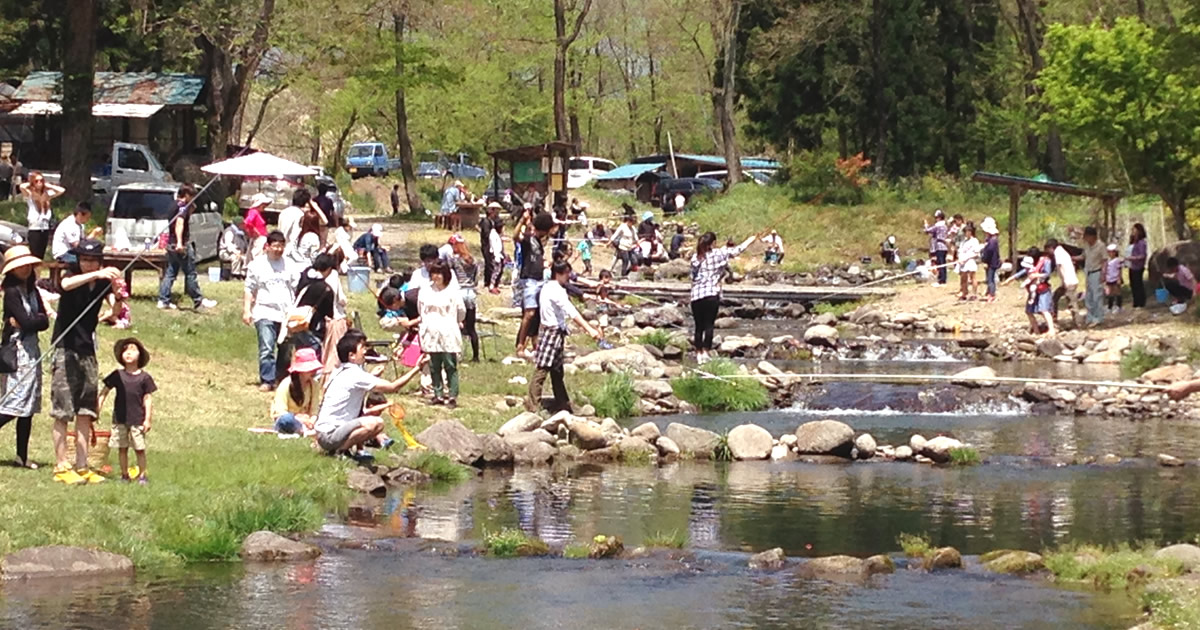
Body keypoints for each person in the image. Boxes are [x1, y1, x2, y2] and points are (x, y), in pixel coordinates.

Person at [50, 239, 119, 485]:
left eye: (92, 260)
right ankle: (61, 465)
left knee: (85, 411)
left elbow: (115, 308)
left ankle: (82, 464)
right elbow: (65, 285)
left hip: (87, 350)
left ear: (100, 260)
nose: (88, 264)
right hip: (65, 349)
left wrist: (117, 295)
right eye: (84, 260)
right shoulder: (72, 275)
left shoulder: (101, 284)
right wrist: (99, 273)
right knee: (62, 410)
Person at [314, 330, 425, 457]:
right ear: (352, 355)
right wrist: (417, 368)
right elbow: (393, 387)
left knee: (376, 426)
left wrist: (371, 376)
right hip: (330, 434)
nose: (365, 351)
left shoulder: (340, 370)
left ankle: (344, 450)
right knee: (375, 423)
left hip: (325, 433)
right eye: (362, 347)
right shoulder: (355, 374)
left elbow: (353, 386)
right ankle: (339, 452)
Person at [527, 260, 602, 413]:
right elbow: (571, 311)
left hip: (554, 331)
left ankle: (563, 403)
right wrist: (589, 329)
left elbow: (571, 292)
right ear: (559, 274)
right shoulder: (556, 290)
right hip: (552, 332)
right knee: (542, 368)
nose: (569, 276)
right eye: (567, 273)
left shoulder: (548, 286)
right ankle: (533, 405)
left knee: (557, 371)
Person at [0, 245, 48, 469]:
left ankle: (22, 455)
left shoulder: (32, 290)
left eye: (28, 265)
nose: (26, 269)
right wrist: (32, 322)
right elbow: (29, 323)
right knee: (12, 404)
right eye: (21, 266)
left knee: (28, 406)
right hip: (17, 353)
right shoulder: (11, 293)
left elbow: (43, 322)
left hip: (33, 351)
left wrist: (32, 322)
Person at [690, 230, 764, 364]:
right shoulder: (719, 253)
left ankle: (698, 354)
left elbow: (693, 277)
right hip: (711, 294)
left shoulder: (696, 257)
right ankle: (706, 353)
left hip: (696, 295)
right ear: (713, 243)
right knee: (709, 325)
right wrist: (750, 239)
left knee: (698, 327)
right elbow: (737, 251)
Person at [244, 231, 299, 391]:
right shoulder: (257, 265)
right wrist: (247, 310)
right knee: (267, 347)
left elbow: (297, 288)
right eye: (275, 246)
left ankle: (281, 379)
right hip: (264, 311)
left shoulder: (289, 265)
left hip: (286, 314)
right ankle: (267, 380)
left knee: (285, 348)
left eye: (281, 246)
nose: (278, 249)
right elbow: (249, 288)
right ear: (267, 246)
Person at [99, 338, 157, 485]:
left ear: (140, 355)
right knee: (122, 447)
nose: (128, 353)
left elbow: (148, 399)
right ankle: (124, 475)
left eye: (133, 350)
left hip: (137, 418)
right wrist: (98, 407)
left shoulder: (145, 378)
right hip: (120, 418)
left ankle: (142, 475)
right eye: (125, 350)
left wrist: (147, 419)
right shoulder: (117, 375)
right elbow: (104, 391)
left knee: (139, 448)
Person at [157, 185, 218, 310]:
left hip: (170, 243)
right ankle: (198, 300)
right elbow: (179, 223)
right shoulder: (182, 207)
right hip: (181, 244)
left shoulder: (174, 205)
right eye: (192, 196)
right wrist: (180, 243)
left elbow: (188, 213)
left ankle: (163, 300)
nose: (194, 198)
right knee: (190, 273)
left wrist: (192, 205)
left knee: (171, 272)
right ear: (186, 195)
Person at [418, 261, 465, 406]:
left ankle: (452, 394)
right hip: (431, 330)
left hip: (448, 330)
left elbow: (461, 312)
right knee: (434, 364)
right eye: (434, 273)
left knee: (450, 363)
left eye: (439, 273)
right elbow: (421, 309)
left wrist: (453, 322)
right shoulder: (425, 290)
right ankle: (437, 393)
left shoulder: (452, 292)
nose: (436, 276)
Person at [514, 212, 554, 357]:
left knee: (536, 314)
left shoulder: (538, 241)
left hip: (539, 279)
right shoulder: (527, 240)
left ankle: (535, 344)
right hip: (529, 279)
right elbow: (515, 236)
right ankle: (520, 344)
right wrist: (522, 220)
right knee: (529, 313)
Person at [271, 347, 323, 436]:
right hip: (291, 420)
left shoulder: (314, 384)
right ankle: (302, 430)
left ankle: (306, 430)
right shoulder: (285, 385)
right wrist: (300, 418)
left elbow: (314, 410)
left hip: (307, 421)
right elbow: (280, 412)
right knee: (286, 419)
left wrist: (311, 420)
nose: (313, 371)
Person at [449, 237, 480, 362]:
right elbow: (477, 279)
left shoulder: (455, 261)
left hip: (459, 292)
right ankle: (476, 356)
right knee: (472, 328)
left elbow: (451, 276)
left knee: (456, 325)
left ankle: (456, 354)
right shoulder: (474, 261)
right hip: (470, 293)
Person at [20, 171, 64, 259]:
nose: (39, 183)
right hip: (34, 229)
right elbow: (22, 186)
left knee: (41, 255)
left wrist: (48, 185)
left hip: (45, 228)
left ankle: (38, 272)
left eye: (41, 181)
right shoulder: (30, 194)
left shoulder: (47, 195)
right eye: (36, 181)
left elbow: (61, 190)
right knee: (34, 255)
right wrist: (31, 183)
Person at [1024, 246, 1056, 336]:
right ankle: (1036, 330)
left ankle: (1052, 329)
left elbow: (1047, 274)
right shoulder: (1030, 263)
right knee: (1029, 311)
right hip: (1033, 290)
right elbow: (1024, 271)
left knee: (1044, 310)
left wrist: (1036, 275)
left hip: (1043, 289)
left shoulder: (1046, 261)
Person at [1048, 238, 1080, 327]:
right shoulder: (1062, 252)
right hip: (1069, 280)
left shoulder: (1058, 253)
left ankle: (1078, 323)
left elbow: (1059, 267)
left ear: (1051, 248)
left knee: (1072, 303)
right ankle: (1054, 318)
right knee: (1055, 297)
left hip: (1068, 281)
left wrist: (1063, 281)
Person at [1080, 226, 1107, 326]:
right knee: (1089, 296)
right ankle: (1090, 316)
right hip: (1088, 272)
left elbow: (1104, 260)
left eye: (1087, 237)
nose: (1086, 239)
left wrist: (1103, 274)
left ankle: (1098, 317)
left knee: (1097, 296)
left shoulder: (1101, 246)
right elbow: (1083, 256)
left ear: (1093, 236)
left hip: (1097, 272)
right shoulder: (1087, 246)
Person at [278, 188, 309, 257]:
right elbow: (295, 235)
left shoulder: (283, 212)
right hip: (290, 251)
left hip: (280, 246)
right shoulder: (300, 215)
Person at [923, 209, 949, 285]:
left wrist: (926, 224)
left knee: (940, 263)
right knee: (943, 263)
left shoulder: (938, 225)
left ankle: (942, 280)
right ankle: (943, 278)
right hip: (944, 246)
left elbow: (928, 230)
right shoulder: (945, 225)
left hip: (939, 246)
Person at [955, 225, 981, 300]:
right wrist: (959, 259)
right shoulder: (963, 242)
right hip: (962, 262)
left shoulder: (974, 241)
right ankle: (964, 293)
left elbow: (976, 253)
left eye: (968, 231)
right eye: (966, 232)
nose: (967, 233)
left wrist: (967, 258)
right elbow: (960, 251)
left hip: (970, 261)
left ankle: (974, 294)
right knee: (963, 278)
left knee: (973, 277)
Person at [979, 218, 1001, 302]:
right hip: (992, 262)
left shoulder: (992, 241)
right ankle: (989, 292)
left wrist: (985, 260)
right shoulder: (991, 240)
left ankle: (992, 294)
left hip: (991, 263)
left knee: (990, 279)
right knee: (989, 278)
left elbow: (989, 252)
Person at [244, 193, 271, 261]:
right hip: (259, 239)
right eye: (263, 204)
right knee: (258, 258)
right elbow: (247, 222)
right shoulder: (254, 212)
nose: (265, 205)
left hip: (261, 239)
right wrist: (254, 230)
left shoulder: (256, 212)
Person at [1128, 223, 1148, 308]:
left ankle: (1141, 302)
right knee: (1133, 284)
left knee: (1138, 284)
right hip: (1132, 265)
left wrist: (1134, 258)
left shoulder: (1142, 243)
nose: (1133, 231)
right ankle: (1135, 301)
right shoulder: (1133, 242)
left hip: (1138, 266)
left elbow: (1143, 255)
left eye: (1134, 229)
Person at [480, 202, 498, 288]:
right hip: (486, 245)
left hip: (491, 244)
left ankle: (490, 280)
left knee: (490, 262)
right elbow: (486, 234)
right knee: (488, 263)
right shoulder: (486, 222)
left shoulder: (492, 221)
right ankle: (487, 281)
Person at [1105, 244, 1124, 313]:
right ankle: (1110, 306)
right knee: (1110, 293)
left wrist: (1119, 278)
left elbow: (1119, 269)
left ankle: (1119, 306)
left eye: (1111, 252)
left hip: (1115, 278)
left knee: (1117, 292)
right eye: (1109, 252)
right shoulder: (1108, 261)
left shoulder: (1117, 260)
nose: (1110, 253)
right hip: (1109, 278)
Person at [488, 220, 505, 293]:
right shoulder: (493, 235)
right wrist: (496, 256)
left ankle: (495, 285)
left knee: (499, 271)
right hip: (496, 255)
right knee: (496, 271)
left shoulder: (497, 234)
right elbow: (495, 246)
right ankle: (492, 286)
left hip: (499, 255)